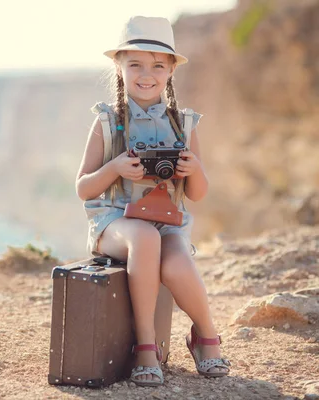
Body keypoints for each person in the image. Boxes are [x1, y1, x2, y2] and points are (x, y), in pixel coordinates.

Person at [75, 16, 230, 387]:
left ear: (171, 70)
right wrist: (115, 167)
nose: (147, 74)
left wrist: (194, 168)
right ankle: (146, 346)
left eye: (158, 65)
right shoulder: (107, 122)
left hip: (168, 223)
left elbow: (197, 195)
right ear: (119, 67)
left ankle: (205, 335)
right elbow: (83, 188)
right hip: (115, 223)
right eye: (136, 65)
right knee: (144, 238)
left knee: (176, 264)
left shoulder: (184, 125)